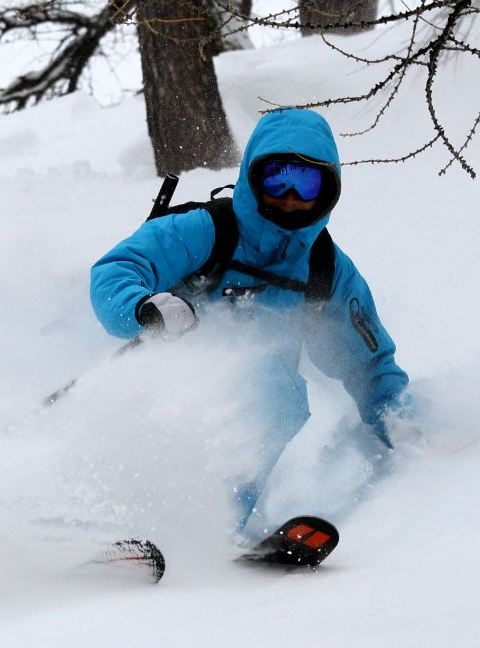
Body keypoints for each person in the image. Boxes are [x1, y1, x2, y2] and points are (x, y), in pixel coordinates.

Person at [90, 107, 409, 535]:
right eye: (277, 177)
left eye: (308, 182)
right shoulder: (207, 231)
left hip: (250, 410)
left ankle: (216, 528)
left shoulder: (325, 270)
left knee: (277, 392)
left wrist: (409, 433)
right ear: (253, 177)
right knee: (257, 387)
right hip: (156, 382)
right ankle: (109, 517)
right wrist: (145, 308)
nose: (291, 195)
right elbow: (117, 270)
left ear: (328, 190)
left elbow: (370, 367)